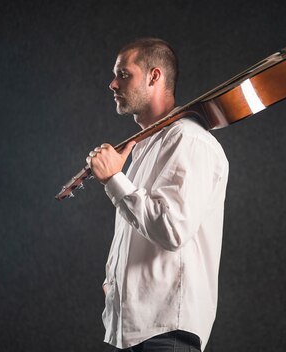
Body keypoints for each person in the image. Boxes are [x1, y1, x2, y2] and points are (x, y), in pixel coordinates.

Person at [86, 38, 229, 352]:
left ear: (154, 76)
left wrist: (113, 179)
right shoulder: (145, 149)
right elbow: (143, 233)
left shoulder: (189, 140)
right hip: (135, 333)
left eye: (124, 74)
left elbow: (171, 228)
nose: (112, 84)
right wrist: (117, 280)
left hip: (166, 335)